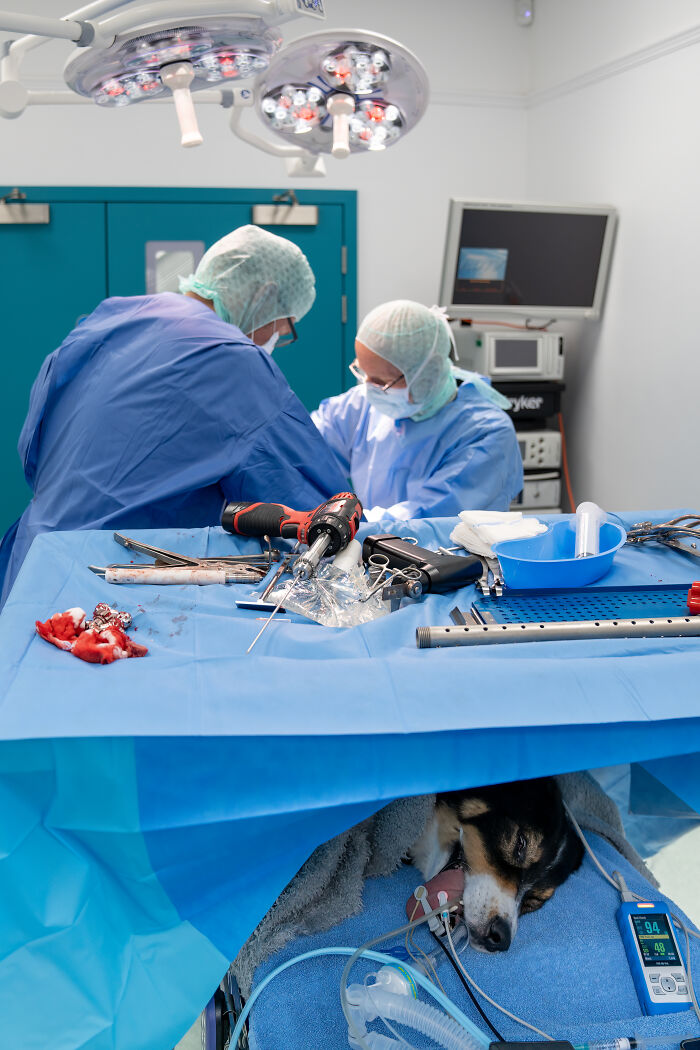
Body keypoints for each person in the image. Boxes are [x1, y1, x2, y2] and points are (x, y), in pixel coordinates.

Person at [0, 225, 347, 606]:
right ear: (264, 297)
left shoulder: (113, 317)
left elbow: (32, 444)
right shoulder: (231, 359)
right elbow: (312, 505)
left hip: (37, 556)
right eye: (285, 322)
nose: (280, 334)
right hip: (116, 577)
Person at [312, 300, 523, 521]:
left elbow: (427, 521)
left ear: (425, 376)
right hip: (373, 548)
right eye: (362, 373)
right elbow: (307, 454)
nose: (368, 388)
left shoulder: (485, 434)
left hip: (444, 553)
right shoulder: (360, 406)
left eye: (380, 381)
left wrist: (345, 524)